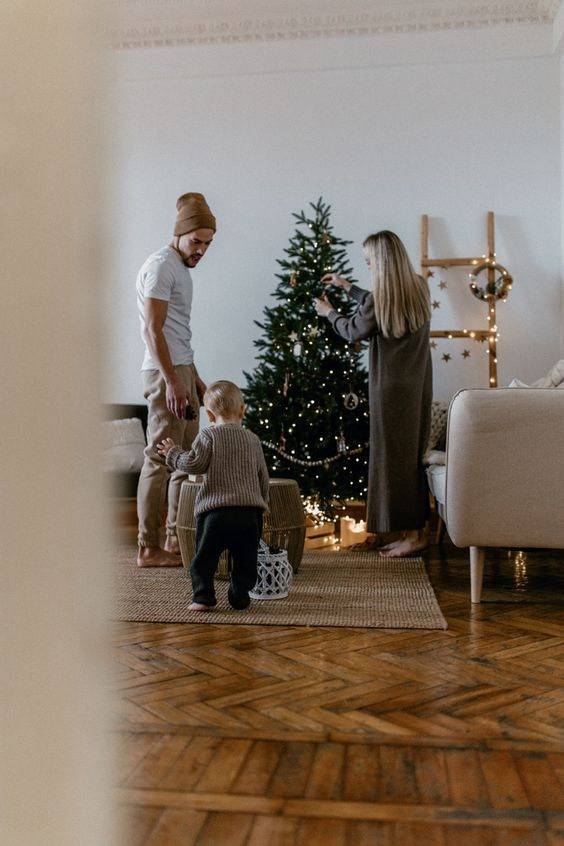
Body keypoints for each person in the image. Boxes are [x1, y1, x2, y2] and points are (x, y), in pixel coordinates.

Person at [313, 230, 432, 557]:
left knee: (392, 461)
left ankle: (414, 535)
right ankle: (410, 530)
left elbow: (354, 329)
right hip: (416, 386)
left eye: (369, 260)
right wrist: (348, 288)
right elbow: (377, 303)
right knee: (410, 459)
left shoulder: (381, 299)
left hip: (389, 389)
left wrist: (329, 313)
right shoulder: (418, 287)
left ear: (381, 261)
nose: (366, 264)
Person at [135, 192, 216, 567]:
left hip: (181, 370)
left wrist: (194, 378)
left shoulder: (180, 268)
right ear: (179, 233)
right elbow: (153, 331)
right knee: (159, 459)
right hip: (164, 373)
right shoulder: (161, 265)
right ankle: (147, 547)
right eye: (195, 241)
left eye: (207, 243)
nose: (201, 249)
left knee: (185, 462)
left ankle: (172, 540)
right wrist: (171, 381)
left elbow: (178, 333)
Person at [156, 380, 270, 611]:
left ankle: (203, 597)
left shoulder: (208, 436)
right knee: (246, 561)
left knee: (204, 560)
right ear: (242, 410)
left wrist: (173, 454)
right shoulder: (253, 439)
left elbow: (195, 464)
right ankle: (240, 597)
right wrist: (262, 506)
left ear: (209, 415)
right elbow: (263, 477)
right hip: (249, 514)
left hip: (215, 514)